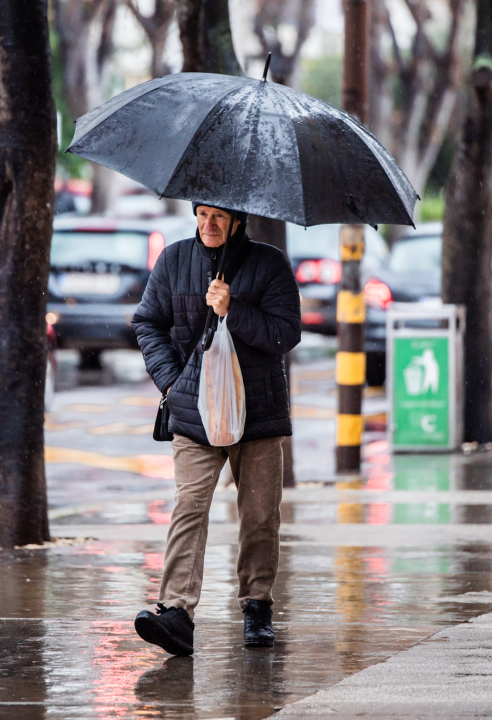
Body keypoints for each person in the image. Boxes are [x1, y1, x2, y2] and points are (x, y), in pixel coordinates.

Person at [131, 203, 300, 656]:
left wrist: (233, 310)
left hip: (257, 413)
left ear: (238, 220)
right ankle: (176, 612)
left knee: (260, 516)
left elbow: (286, 333)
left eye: (219, 216)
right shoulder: (174, 259)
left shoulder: (270, 263)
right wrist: (171, 381)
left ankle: (257, 605)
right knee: (189, 505)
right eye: (202, 214)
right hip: (193, 412)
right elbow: (147, 322)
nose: (208, 224)